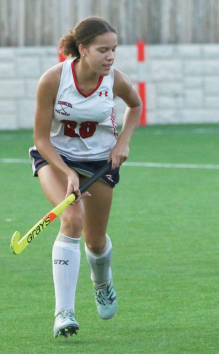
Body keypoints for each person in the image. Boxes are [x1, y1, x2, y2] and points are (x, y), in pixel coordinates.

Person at [29, 17, 142, 337]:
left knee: (95, 241)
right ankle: (64, 313)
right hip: (56, 157)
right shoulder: (53, 80)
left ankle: (102, 281)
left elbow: (135, 106)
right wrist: (66, 173)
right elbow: (41, 139)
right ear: (82, 49)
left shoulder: (115, 80)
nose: (110, 57)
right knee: (72, 219)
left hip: (99, 162)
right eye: (103, 50)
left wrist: (123, 142)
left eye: (114, 50)